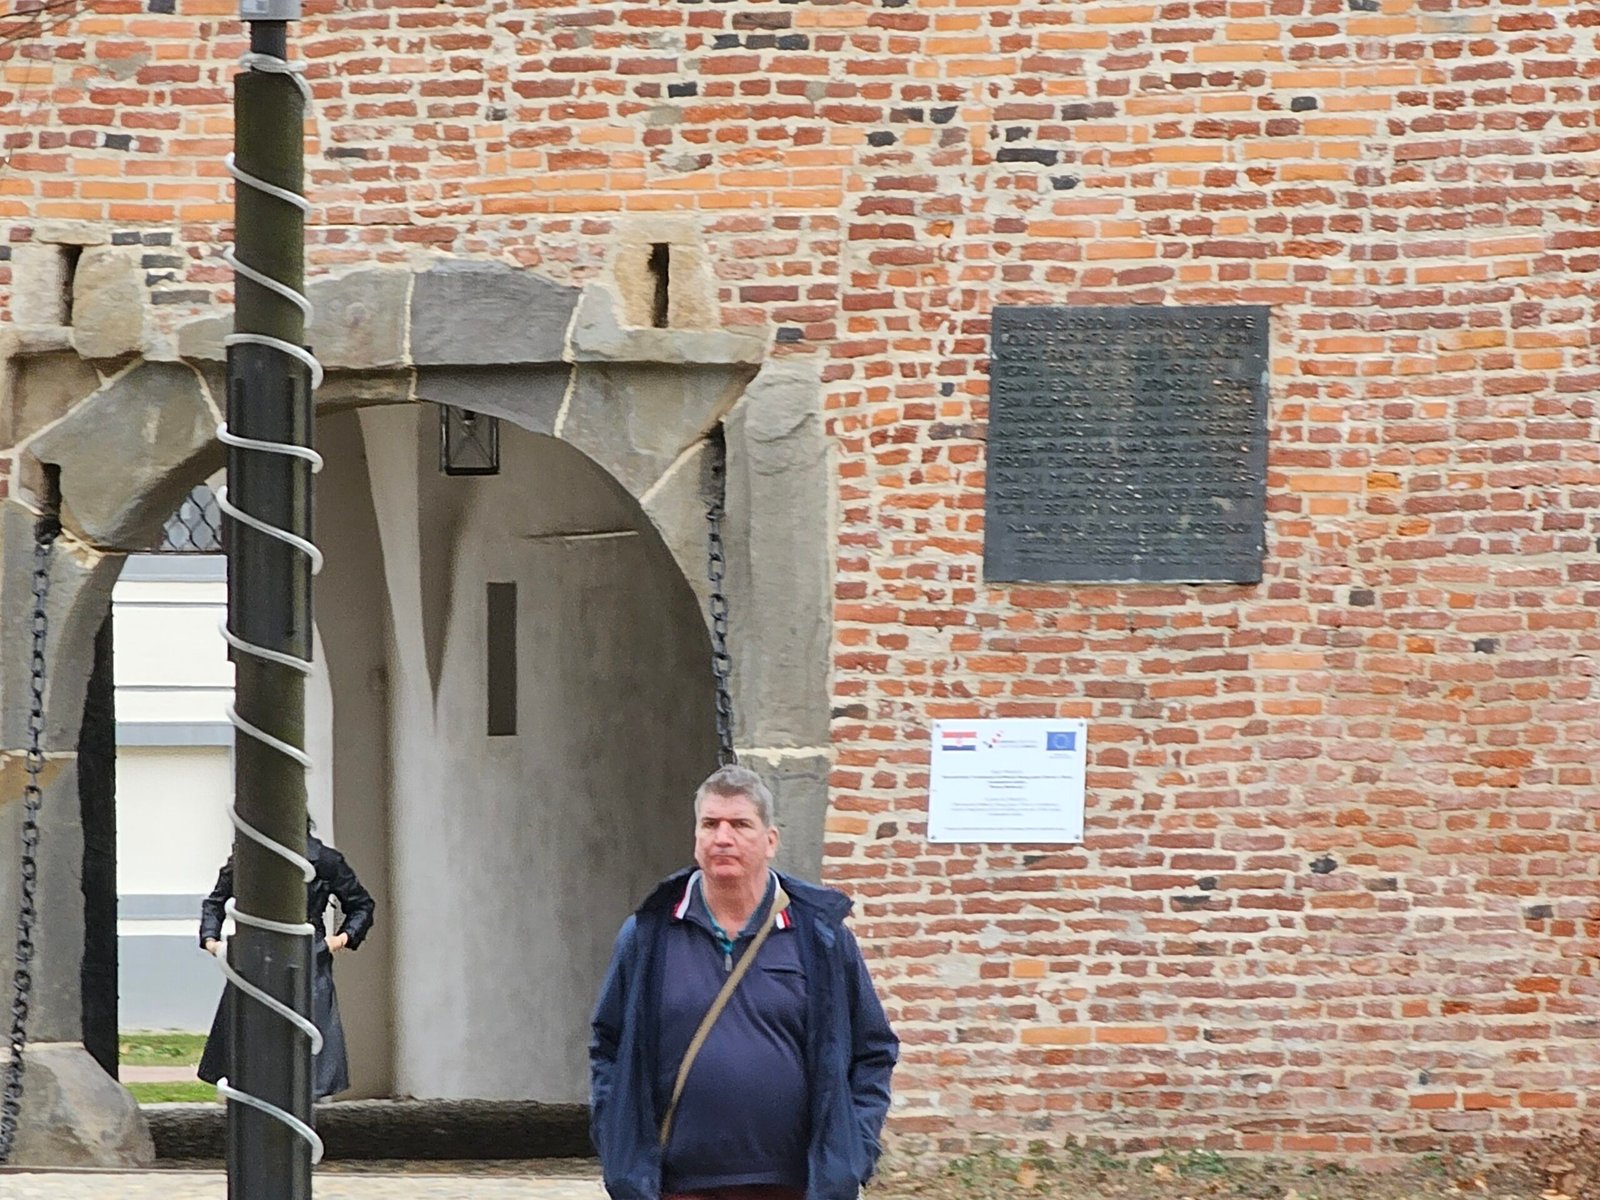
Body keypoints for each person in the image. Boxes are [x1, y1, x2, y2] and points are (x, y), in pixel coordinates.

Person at [590, 764, 898, 1200]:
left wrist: (853, 1153)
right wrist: (618, 1151)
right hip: (675, 1187)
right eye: (710, 824)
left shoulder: (819, 937)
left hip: (794, 1185)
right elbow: (608, 1045)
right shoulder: (649, 936)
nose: (723, 837)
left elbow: (873, 1050)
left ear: (770, 840)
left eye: (739, 824)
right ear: (696, 837)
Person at [197, 821, 375, 1100]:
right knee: (251, 1032)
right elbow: (215, 902)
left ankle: (303, 1102)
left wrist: (340, 940)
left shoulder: (324, 860)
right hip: (255, 955)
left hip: (308, 957)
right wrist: (211, 940)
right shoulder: (247, 860)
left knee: (306, 1037)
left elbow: (361, 904)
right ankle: (253, 1097)